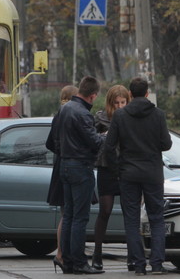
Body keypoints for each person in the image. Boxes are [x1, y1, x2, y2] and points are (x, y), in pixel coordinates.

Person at [104, 77, 172, 275]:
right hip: (152, 174)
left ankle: (139, 265)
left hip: (128, 174)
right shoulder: (158, 115)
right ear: (147, 93)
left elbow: (109, 147)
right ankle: (157, 264)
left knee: (131, 220)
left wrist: (118, 170)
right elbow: (166, 144)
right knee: (157, 218)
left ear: (131, 95)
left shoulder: (120, 116)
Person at [58, 76, 104, 275]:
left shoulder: (65, 109)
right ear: (92, 95)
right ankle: (79, 262)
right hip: (81, 167)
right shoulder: (83, 114)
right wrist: (106, 137)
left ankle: (66, 259)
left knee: (68, 215)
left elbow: (53, 140)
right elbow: (94, 142)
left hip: (65, 165)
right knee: (80, 218)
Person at [91, 84, 131, 270]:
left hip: (125, 168)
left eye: (123, 102)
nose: (120, 106)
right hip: (107, 168)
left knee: (129, 212)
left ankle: (133, 254)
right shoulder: (101, 118)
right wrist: (103, 136)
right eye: (116, 103)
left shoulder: (131, 118)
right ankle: (97, 254)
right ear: (110, 103)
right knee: (105, 210)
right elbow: (91, 141)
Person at [45, 84, 78, 272]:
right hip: (67, 167)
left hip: (59, 167)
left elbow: (50, 143)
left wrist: (59, 150)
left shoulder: (58, 115)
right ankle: (62, 254)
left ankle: (62, 254)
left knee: (66, 214)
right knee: (68, 215)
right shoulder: (68, 114)